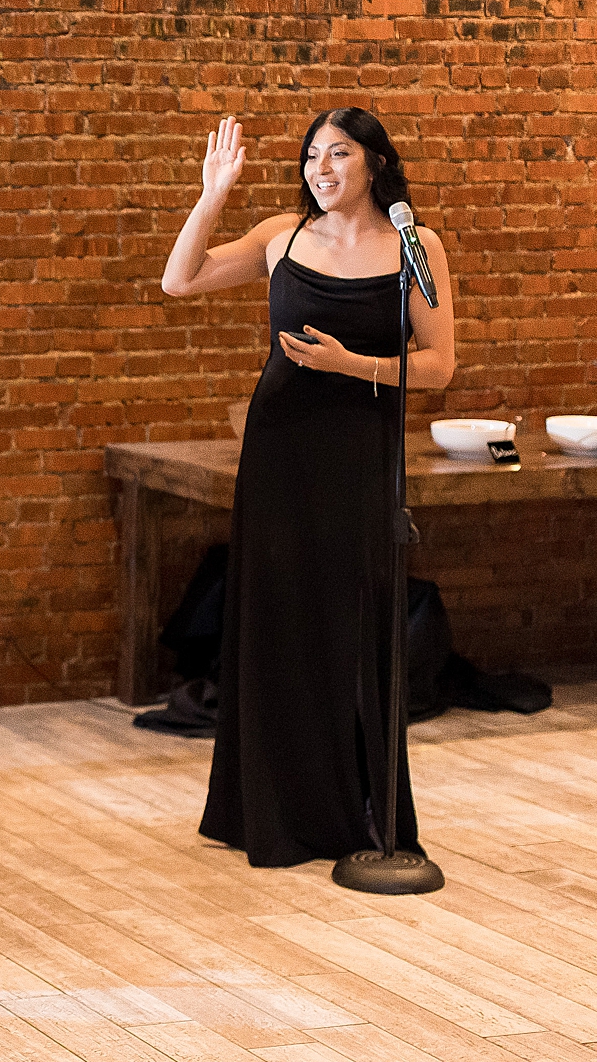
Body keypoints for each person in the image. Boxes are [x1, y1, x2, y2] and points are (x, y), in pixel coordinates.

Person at [160, 109, 455, 867]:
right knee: (279, 621)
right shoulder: (280, 238)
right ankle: (272, 809)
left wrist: (351, 365)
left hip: (359, 457)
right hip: (280, 454)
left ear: (376, 163)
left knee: (351, 625)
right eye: (312, 156)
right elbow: (179, 279)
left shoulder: (415, 246)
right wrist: (212, 195)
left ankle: (356, 808)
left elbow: (438, 365)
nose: (321, 169)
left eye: (339, 154)